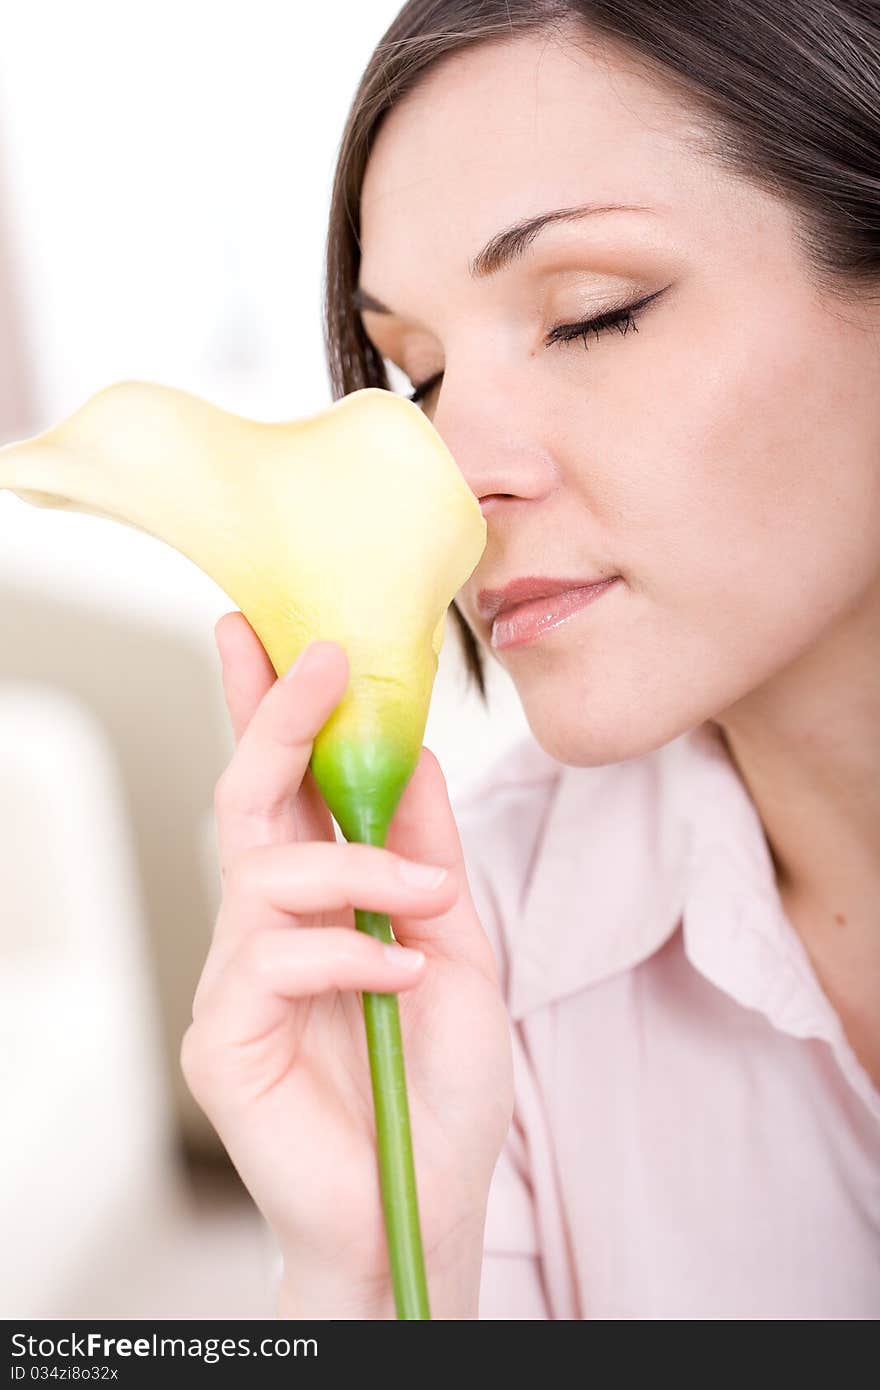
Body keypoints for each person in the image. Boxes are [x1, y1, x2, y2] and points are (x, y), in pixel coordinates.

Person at [180, 1, 880, 1318]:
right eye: (418, 373)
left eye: (592, 314)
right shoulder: (454, 953)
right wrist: (382, 1268)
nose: (447, 477)